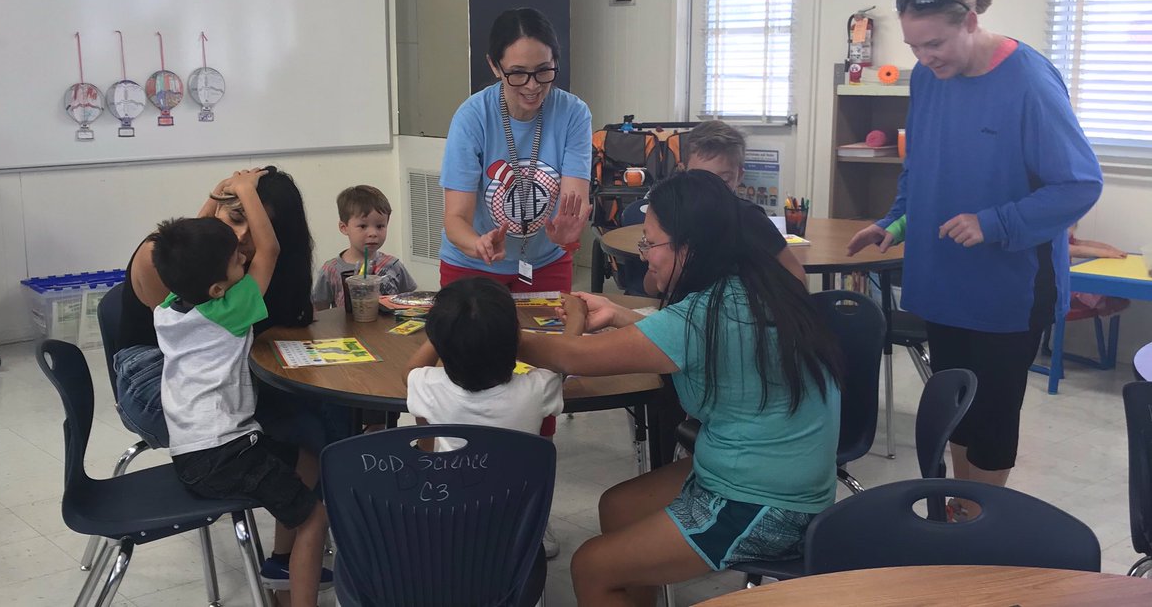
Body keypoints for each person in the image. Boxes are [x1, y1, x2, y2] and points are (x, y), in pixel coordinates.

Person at [846, 0, 1102, 518]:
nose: (925, 57)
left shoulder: (1030, 82)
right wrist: (892, 224)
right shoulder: (926, 77)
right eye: (914, 46)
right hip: (942, 281)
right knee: (952, 409)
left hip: (1006, 290)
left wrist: (996, 222)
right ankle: (959, 510)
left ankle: (981, 525)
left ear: (971, 20)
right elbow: (924, 169)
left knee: (991, 418)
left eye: (934, 43)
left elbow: (1079, 184)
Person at [520, 171, 842, 605]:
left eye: (651, 244)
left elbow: (573, 358)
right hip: (781, 479)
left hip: (767, 504)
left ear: (689, 247)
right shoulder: (757, 283)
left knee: (592, 565)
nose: (644, 256)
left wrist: (493, 331)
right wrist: (619, 315)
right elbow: (690, 341)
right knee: (618, 506)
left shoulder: (704, 315)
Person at [114, 166, 333, 590]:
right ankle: (296, 554)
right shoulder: (232, 308)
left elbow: (192, 248)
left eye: (256, 224)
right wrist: (241, 191)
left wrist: (225, 194)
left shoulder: (174, 305)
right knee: (308, 484)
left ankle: (288, 559)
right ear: (218, 283)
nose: (242, 242)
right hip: (222, 444)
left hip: (194, 442)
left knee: (305, 437)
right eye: (234, 221)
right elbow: (266, 250)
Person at [439, 7, 591, 293]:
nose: (533, 86)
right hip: (474, 265)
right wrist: (479, 243)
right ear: (495, 66)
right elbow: (455, 219)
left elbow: (575, 201)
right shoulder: (473, 116)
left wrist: (568, 233)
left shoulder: (573, 113)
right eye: (518, 74)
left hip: (546, 262)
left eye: (544, 71)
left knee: (551, 337)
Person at [620, 120, 807, 290]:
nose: (711, 192)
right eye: (700, 179)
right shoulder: (672, 216)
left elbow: (796, 277)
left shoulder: (749, 219)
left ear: (739, 176)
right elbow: (650, 288)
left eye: (723, 180)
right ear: (682, 171)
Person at [403, 276, 568, 451]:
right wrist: (576, 319)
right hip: (519, 479)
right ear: (517, 337)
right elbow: (565, 361)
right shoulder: (540, 387)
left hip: (447, 478)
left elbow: (410, 370)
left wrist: (447, 330)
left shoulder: (431, 387)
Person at [312, 185, 417, 311]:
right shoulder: (331, 270)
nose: (373, 233)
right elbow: (319, 311)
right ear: (344, 227)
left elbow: (410, 302)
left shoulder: (394, 265)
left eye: (380, 226)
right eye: (362, 226)